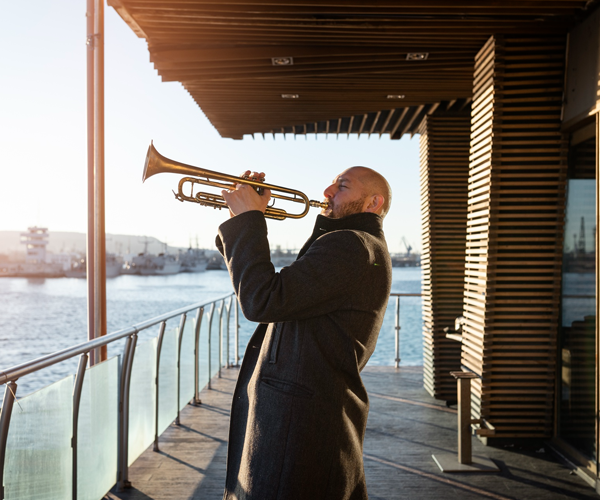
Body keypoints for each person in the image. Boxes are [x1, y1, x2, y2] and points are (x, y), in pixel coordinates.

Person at [215, 166, 392, 500]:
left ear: (373, 202)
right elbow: (283, 298)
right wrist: (247, 216)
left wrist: (249, 219)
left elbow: (263, 299)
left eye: (342, 186)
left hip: (296, 429)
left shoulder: (351, 245)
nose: (327, 191)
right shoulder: (351, 244)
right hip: (304, 420)